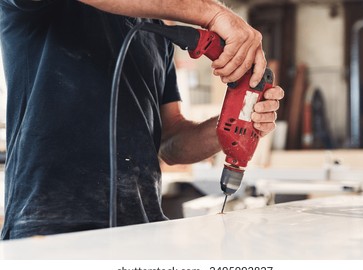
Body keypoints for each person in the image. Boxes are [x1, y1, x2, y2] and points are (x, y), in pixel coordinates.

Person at [0, 0, 284, 240]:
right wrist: (212, 12)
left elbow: (170, 142)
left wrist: (232, 124)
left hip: (140, 230)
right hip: (48, 227)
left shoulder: (154, 31)